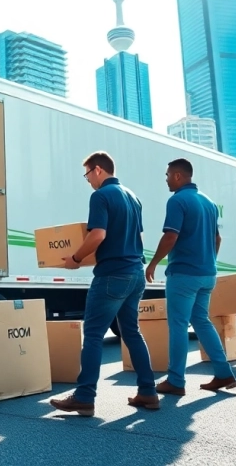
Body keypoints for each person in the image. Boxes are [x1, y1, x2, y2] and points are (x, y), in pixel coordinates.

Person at [50, 151, 160, 417]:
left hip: (112, 274)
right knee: (132, 333)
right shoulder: (133, 197)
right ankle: (148, 392)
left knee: (94, 335)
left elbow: (98, 234)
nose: (87, 180)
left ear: (98, 170)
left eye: (87, 174)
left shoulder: (100, 196)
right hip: (135, 272)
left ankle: (85, 397)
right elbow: (140, 238)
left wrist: (76, 258)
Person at [145, 158, 236, 395]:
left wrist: (153, 262)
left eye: (167, 175)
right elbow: (217, 239)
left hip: (183, 274)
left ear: (178, 176)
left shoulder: (177, 201)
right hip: (207, 274)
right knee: (201, 321)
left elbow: (170, 236)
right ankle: (224, 373)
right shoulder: (208, 203)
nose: (166, 179)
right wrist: (209, 262)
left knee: (177, 325)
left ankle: (175, 381)